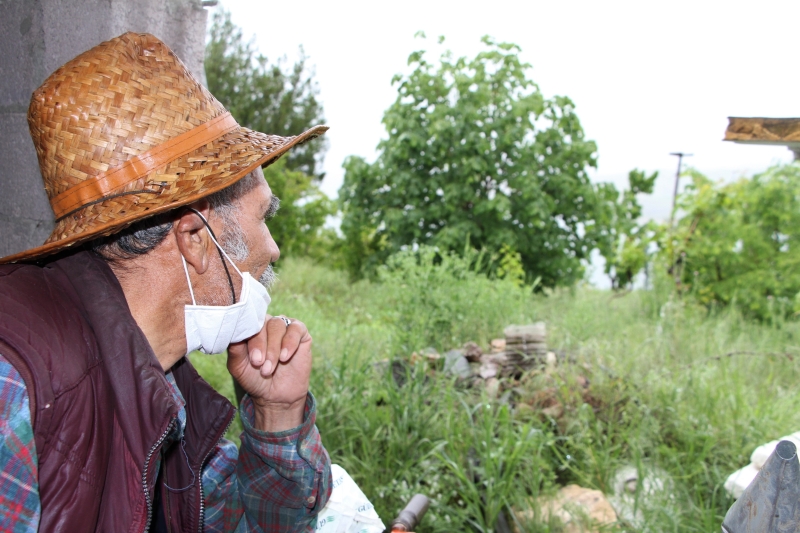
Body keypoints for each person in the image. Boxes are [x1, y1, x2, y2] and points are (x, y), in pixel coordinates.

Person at [0, 32, 331, 532]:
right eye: (264, 217)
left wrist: (277, 413)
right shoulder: (16, 383)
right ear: (194, 238)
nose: (274, 249)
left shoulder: (161, 377)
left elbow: (244, 522)